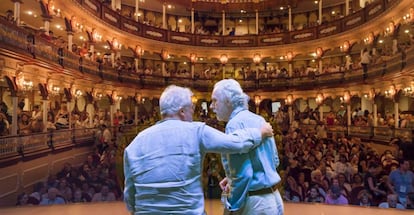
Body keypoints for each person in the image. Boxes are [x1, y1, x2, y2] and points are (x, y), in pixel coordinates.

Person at [123, 85, 274, 215]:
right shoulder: (195, 131)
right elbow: (236, 143)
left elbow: (130, 195)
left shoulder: (134, 144)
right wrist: (260, 132)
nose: (193, 114)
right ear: (182, 111)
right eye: (192, 109)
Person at [210, 79, 283, 215]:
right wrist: (231, 177)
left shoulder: (233, 125)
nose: (211, 107)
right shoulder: (260, 120)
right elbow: (274, 161)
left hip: (254, 202)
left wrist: (232, 205)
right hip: (274, 198)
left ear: (228, 101)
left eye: (215, 101)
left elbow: (243, 175)